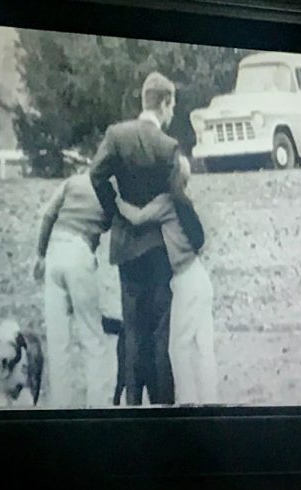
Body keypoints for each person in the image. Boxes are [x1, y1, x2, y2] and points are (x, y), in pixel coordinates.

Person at [89, 71, 179, 406]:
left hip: (126, 246)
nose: (171, 115)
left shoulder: (116, 136)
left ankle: (132, 405)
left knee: (133, 329)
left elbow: (96, 175)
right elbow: (175, 200)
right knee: (159, 332)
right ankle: (162, 405)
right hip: (159, 247)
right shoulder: (167, 146)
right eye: (171, 107)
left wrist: (115, 212)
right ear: (164, 103)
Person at [113, 154, 218, 404]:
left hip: (184, 280)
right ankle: (211, 400)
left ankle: (187, 402)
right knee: (203, 346)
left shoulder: (166, 202)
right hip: (199, 276)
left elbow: (136, 218)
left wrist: (115, 197)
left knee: (177, 348)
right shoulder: (184, 202)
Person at [33, 167, 112, 408]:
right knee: (93, 337)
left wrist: (40, 254)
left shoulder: (72, 182)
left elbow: (47, 215)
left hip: (56, 250)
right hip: (80, 251)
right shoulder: (111, 191)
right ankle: (98, 405)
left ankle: (61, 406)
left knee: (58, 341)